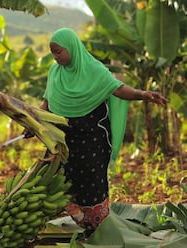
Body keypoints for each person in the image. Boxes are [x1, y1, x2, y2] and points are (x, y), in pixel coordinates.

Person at [23, 28, 167, 236]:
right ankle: (70, 213)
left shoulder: (94, 70)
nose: (55, 57)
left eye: (58, 52)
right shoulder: (55, 72)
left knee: (90, 178)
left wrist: (143, 94)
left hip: (91, 138)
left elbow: (118, 89)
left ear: (72, 48)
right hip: (61, 138)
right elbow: (47, 101)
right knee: (53, 175)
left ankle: (98, 228)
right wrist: (33, 124)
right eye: (52, 52)